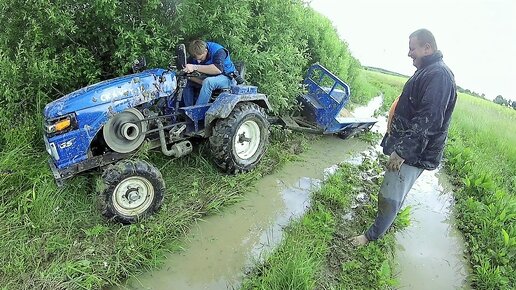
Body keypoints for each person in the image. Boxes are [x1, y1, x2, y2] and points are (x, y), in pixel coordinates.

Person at [351, 28, 457, 246]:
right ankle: (379, 227)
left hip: (412, 154)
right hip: (408, 148)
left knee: (390, 195)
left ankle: (370, 237)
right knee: (393, 192)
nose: (409, 54)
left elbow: (429, 120)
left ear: (427, 47)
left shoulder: (438, 75)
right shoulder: (428, 70)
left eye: (412, 48)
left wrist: (402, 152)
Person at [181, 40, 236, 106]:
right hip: (209, 77)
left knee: (208, 82)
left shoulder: (219, 51)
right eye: (196, 59)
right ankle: (188, 109)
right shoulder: (196, 53)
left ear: (206, 51)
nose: (198, 61)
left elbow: (218, 69)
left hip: (227, 77)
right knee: (186, 80)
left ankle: (198, 111)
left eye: (201, 59)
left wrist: (194, 67)